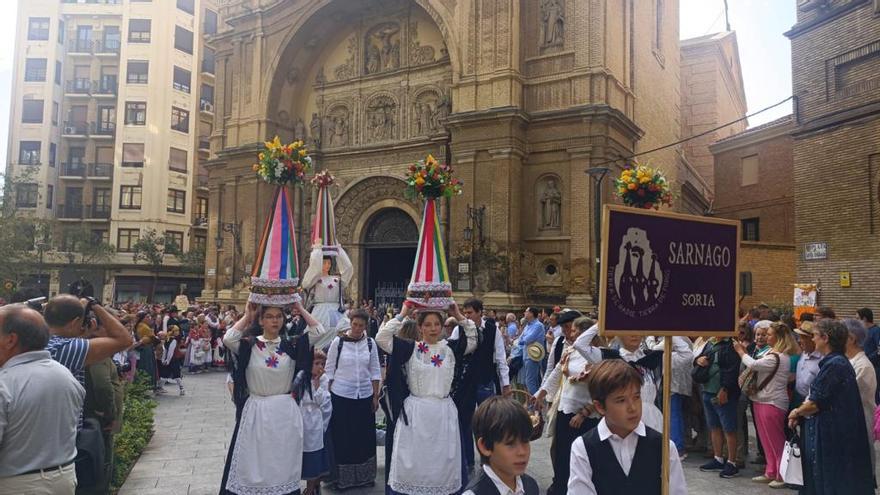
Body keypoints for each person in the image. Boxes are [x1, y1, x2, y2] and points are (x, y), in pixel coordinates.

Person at [220, 300, 328, 495]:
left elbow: (319, 330)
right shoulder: (249, 345)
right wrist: (247, 316)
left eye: (278, 316)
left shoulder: (292, 345)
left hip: (283, 413)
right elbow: (228, 338)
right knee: (253, 462)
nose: (274, 321)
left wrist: (301, 308)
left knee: (281, 464)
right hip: (256, 412)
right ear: (261, 320)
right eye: (269, 316)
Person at [377, 301, 477, 495]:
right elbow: (382, 338)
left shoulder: (450, 348)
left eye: (437, 324)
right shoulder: (410, 348)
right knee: (415, 463)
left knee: (442, 466)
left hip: (443, 414)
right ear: (420, 327)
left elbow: (473, 339)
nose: (433, 329)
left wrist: (458, 315)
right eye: (428, 324)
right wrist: (403, 313)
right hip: (416, 416)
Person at [567, 359, 687, 494]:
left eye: (636, 397)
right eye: (621, 400)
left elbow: (677, 491)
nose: (632, 407)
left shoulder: (663, 447)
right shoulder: (584, 447)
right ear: (600, 407)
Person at [0, 304, 85, 495]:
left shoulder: (4, 382)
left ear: (11, 340)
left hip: (17, 485)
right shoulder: (64, 374)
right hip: (64, 478)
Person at [788, 319, 873, 495]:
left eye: (815, 336)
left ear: (825, 338)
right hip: (832, 432)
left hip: (833, 436)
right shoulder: (835, 362)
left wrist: (796, 412)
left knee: (831, 482)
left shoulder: (835, 365)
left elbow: (816, 402)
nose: (813, 339)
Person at [532, 315, 601, 495]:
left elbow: (601, 390)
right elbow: (556, 374)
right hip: (566, 411)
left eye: (576, 332)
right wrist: (541, 393)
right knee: (562, 455)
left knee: (584, 458)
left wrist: (584, 413)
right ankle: (561, 488)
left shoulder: (598, 355)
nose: (572, 335)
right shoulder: (570, 351)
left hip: (586, 417)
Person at [451, 298, 511, 478]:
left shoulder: (493, 331)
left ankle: (489, 460)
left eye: (470, 313)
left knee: (488, 423)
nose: (467, 316)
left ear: (479, 313)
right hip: (465, 382)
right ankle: (468, 461)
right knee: (465, 422)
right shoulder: (458, 329)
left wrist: (505, 384)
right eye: (465, 313)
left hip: (485, 381)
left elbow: (500, 358)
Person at [733, 322, 797, 489]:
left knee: (776, 440)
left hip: (773, 401)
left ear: (779, 337)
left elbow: (754, 364)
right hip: (761, 399)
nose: (765, 336)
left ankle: (782, 474)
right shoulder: (769, 352)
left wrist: (741, 352)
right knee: (765, 439)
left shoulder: (779, 357)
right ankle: (771, 470)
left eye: (769, 334)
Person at [325, 309, 381, 489]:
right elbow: (329, 370)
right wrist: (326, 395)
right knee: (343, 437)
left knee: (364, 436)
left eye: (361, 325)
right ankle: (342, 478)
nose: (357, 328)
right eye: (355, 325)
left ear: (366, 326)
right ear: (350, 323)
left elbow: (375, 370)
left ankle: (365, 476)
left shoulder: (370, 344)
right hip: (341, 395)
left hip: (364, 395)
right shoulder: (338, 343)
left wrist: (375, 395)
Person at [462, 397, 540, 495]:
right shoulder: (475, 493)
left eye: (525, 441)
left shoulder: (530, 486)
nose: (522, 452)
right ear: (485, 446)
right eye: (510, 444)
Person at [694, 335, 741, 478]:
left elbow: (732, 370)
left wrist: (725, 389)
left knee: (729, 428)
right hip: (707, 390)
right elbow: (698, 358)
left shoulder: (731, 345)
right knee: (714, 426)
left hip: (723, 393)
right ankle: (718, 458)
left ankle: (732, 462)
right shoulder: (710, 343)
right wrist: (698, 360)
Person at [302, 244, 354, 351]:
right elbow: (306, 282)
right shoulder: (314, 280)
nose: (327, 265)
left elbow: (348, 269)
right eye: (324, 263)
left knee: (340, 331)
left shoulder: (337, 279)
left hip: (336, 311)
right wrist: (317, 250)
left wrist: (338, 250)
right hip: (320, 310)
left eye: (329, 263)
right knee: (318, 332)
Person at [842, 318, 877, 472]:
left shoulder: (863, 366)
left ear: (851, 339)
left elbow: (845, 393)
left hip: (859, 421)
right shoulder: (848, 361)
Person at [302, 350, 332, 495]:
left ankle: (311, 488)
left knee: (314, 456)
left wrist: (317, 382)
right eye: (316, 363)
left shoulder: (323, 379)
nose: (320, 366)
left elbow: (319, 400)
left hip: (315, 423)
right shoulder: (302, 377)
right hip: (303, 420)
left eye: (322, 363)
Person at [794, 321, 823, 407]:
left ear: (812, 339)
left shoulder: (822, 360)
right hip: (797, 397)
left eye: (803, 337)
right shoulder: (804, 353)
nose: (799, 340)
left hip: (810, 402)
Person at [519, 308, 545, 394]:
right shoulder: (528, 325)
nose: (524, 313)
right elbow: (520, 339)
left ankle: (533, 404)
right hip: (526, 355)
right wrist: (523, 340)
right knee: (533, 381)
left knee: (530, 381)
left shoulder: (538, 325)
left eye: (526, 312)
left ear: (531, 314)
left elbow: (527, 339)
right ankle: (536, 403)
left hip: (533, 356)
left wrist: (523, 340)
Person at [857, 308, 880, 404]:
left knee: (874, 394)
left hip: (875, 368)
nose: (857, 322)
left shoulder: (876, 331)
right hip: (863, 366)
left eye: (858, 318)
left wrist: (868, 358)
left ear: (865, 319)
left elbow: (879, 350)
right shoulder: (863, 332)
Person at [134, 311, 160, 391]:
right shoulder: (143, 327)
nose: (149, 318)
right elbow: (151, 338)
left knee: (148, 366)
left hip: (147, 348)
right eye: (147, 317)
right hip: (145, 349)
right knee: (147, 367)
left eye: (149, 317)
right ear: (142, 318)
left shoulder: (144, 326)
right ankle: (147, 386)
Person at [158, 325, 186, 396]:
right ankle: (160, 388)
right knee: (168, 375)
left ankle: (181, 388)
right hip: (172, 360)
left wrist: (165, 360)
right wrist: (166, 360)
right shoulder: (172, 340)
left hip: (171, 359)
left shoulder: (169, 339)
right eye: (176, 331)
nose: (178, 332)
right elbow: (169, 351)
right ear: (172, 332)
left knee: (173, 375)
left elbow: (166, 350)